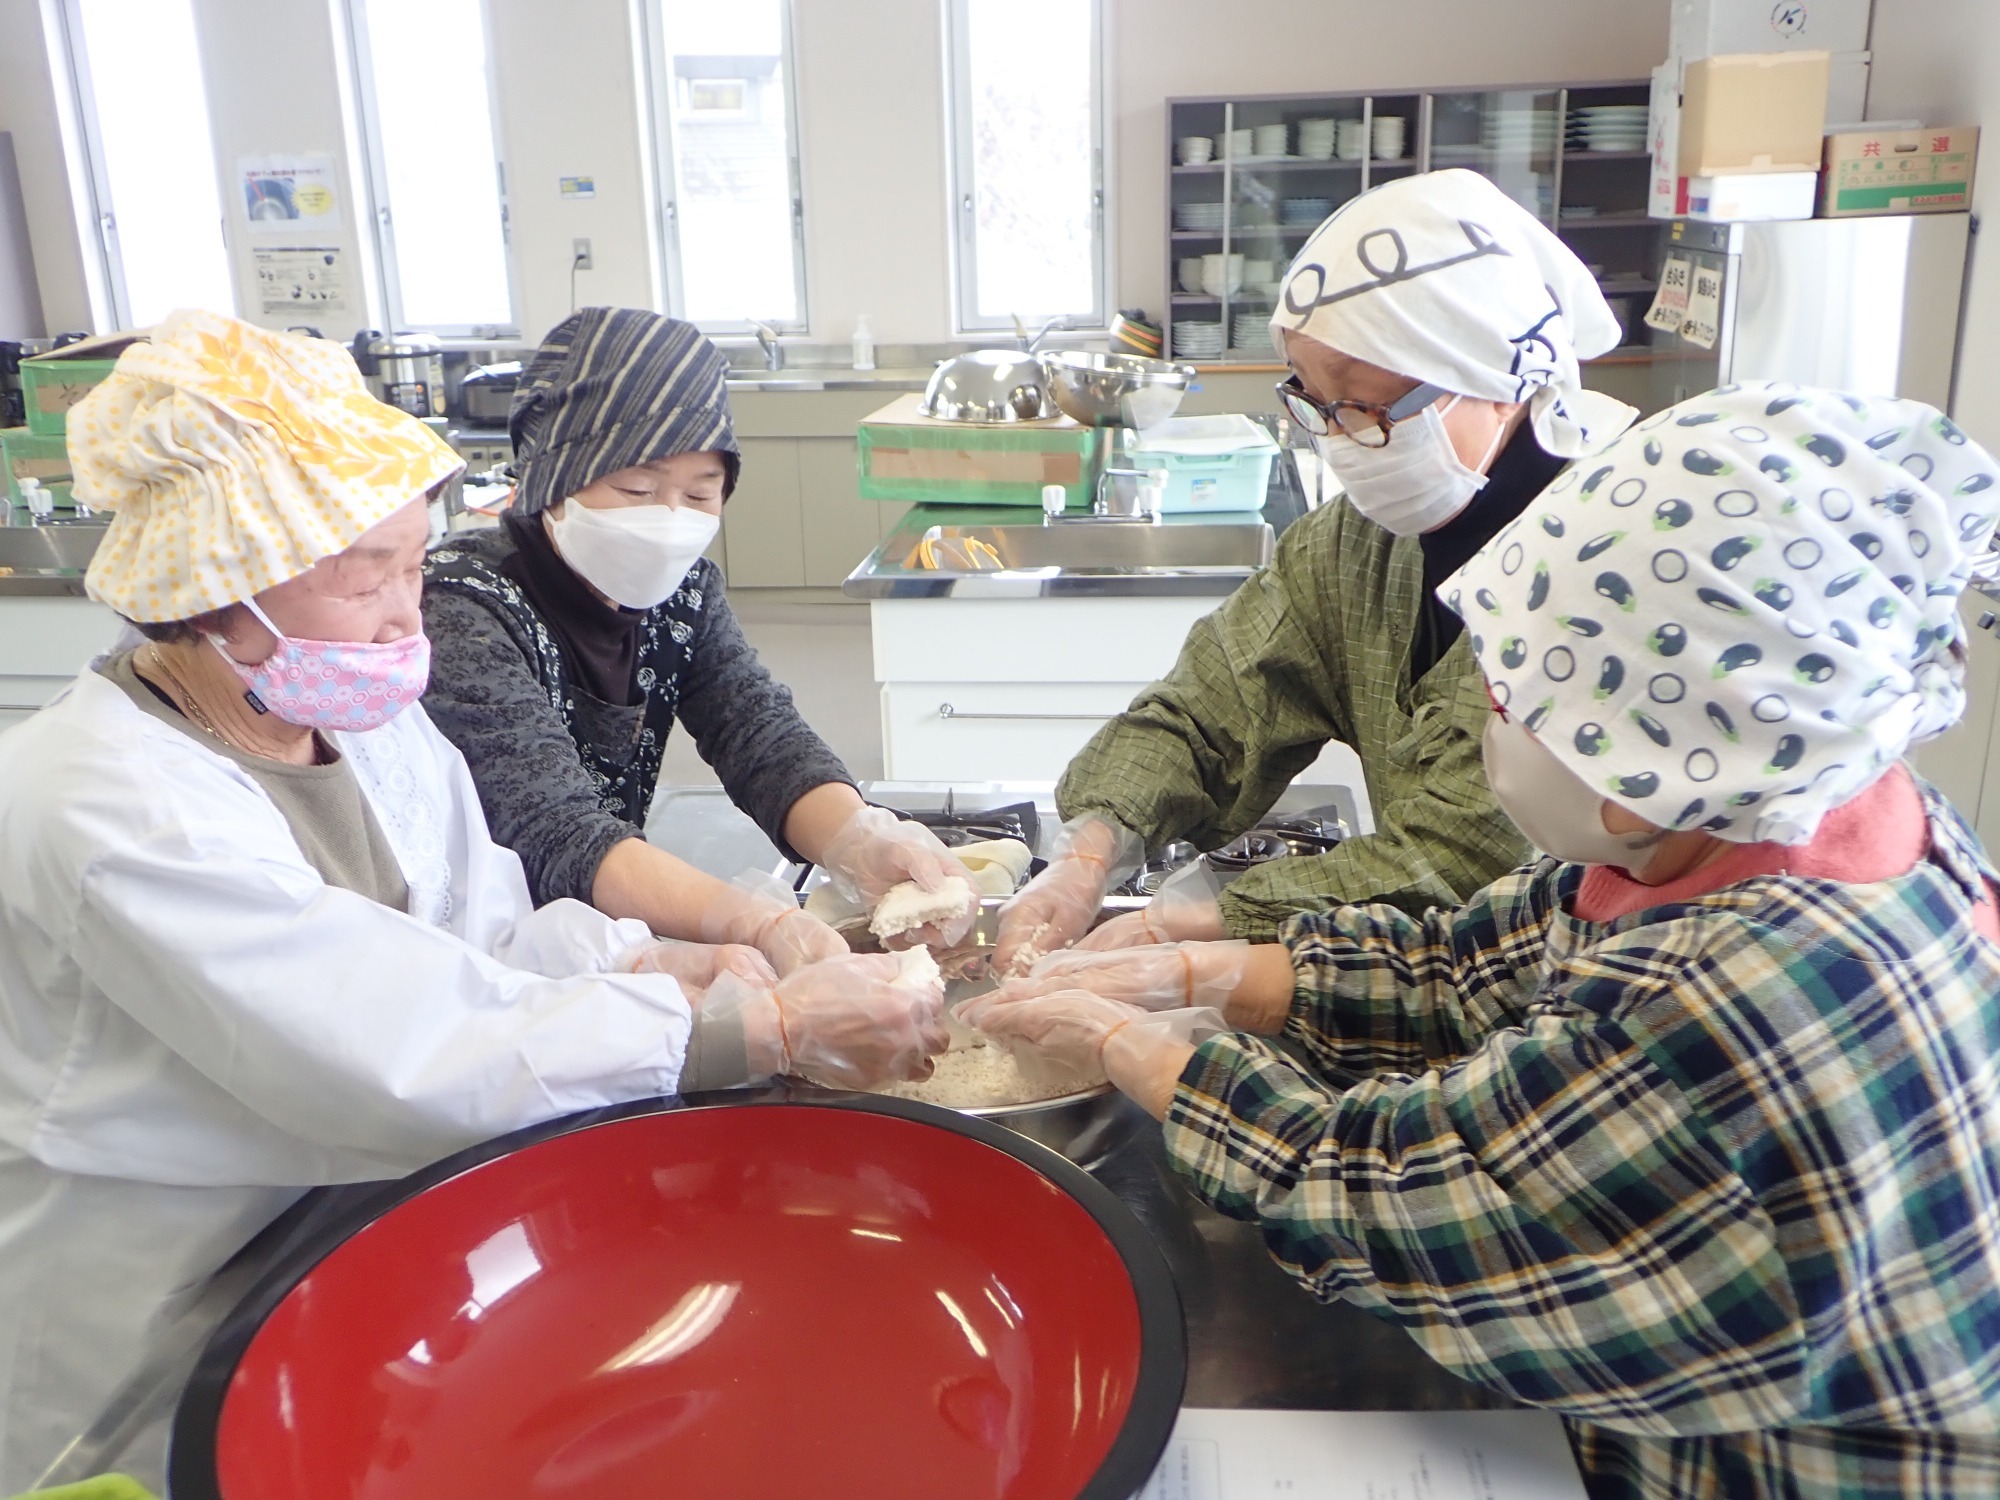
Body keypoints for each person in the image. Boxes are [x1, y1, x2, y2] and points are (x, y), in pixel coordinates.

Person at [967, 385, 2000, 1496]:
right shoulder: (1770, 817)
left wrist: (1136, 1048)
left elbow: (1394, 1208)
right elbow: (1464, 968)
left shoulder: (1732, 1004)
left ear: (1653, 742)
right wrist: (1196, 971)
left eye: (1515, 698)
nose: (1490, 723)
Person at [0, 312, 946, 1491]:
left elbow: (482, 934)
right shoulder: (111, 808)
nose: (409, 618)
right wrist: (748, 1027)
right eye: (367, 578)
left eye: (413, 565)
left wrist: (633, 963)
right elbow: (390, 1049)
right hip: (166, 1298)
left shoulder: (358, 720)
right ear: (212, 586)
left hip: (351, 1226)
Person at [995, 169, 1637, 973]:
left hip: (1599, 987)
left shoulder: (1611, 560)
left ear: (1494, 377)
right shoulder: (1357, 546)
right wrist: (1089, 852)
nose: (1340, 438)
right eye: (1313, 401)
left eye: (1366, 404)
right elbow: (1209, 709)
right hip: (1418, 988)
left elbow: (1463, 859)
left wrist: (1209, 922)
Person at [422, 308, 977, 963]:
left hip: (593, 939)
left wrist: (860, 841)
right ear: (552, 476)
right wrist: (751, 923)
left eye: (700, 495)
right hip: (470, 954)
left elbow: (758, 733)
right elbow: (553, 829)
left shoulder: (681, 594)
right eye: (636, 488)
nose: (667, 520)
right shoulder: (461, 609)